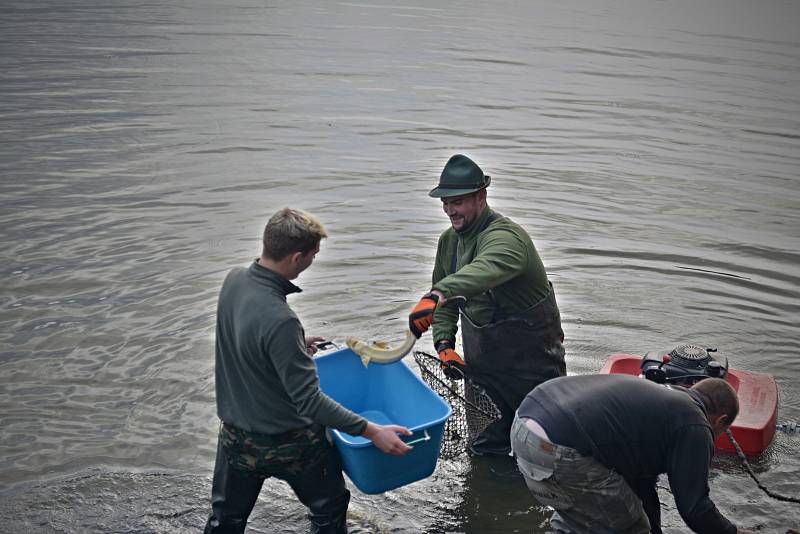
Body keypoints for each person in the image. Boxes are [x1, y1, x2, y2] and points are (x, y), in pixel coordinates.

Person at [204, 208, 412, 534]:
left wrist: (296, 345)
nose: (313, 261)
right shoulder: (281, 320)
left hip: (235, 439)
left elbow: (242, 338)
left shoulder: (234, 280)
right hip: (290, 444)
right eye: (313, 255)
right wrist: (373, 431)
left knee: (226, 519)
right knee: (328, 509)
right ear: (297, 257)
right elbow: (310, 403)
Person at [408, 154, 566, 456]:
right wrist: (444, 344)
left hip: (532, 371)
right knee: (483, 450)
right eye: (445, 202)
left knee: (544, 450)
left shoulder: (507, 239)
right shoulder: (449, 242)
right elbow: (447, 303)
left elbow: (483, 270)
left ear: (481, 197)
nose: (450, 210)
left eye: (458, 202)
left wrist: (437, 294)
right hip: (482, 372)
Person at [510, 374, 757, 534]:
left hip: (525, 422)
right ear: (721, 420)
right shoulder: (696, 424)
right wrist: (734, 532)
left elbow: (640, 485)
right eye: (721, 432)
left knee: (582, 518)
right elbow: (694, 509)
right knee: (630, 528)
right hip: (559, 446)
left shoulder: (663, 398)